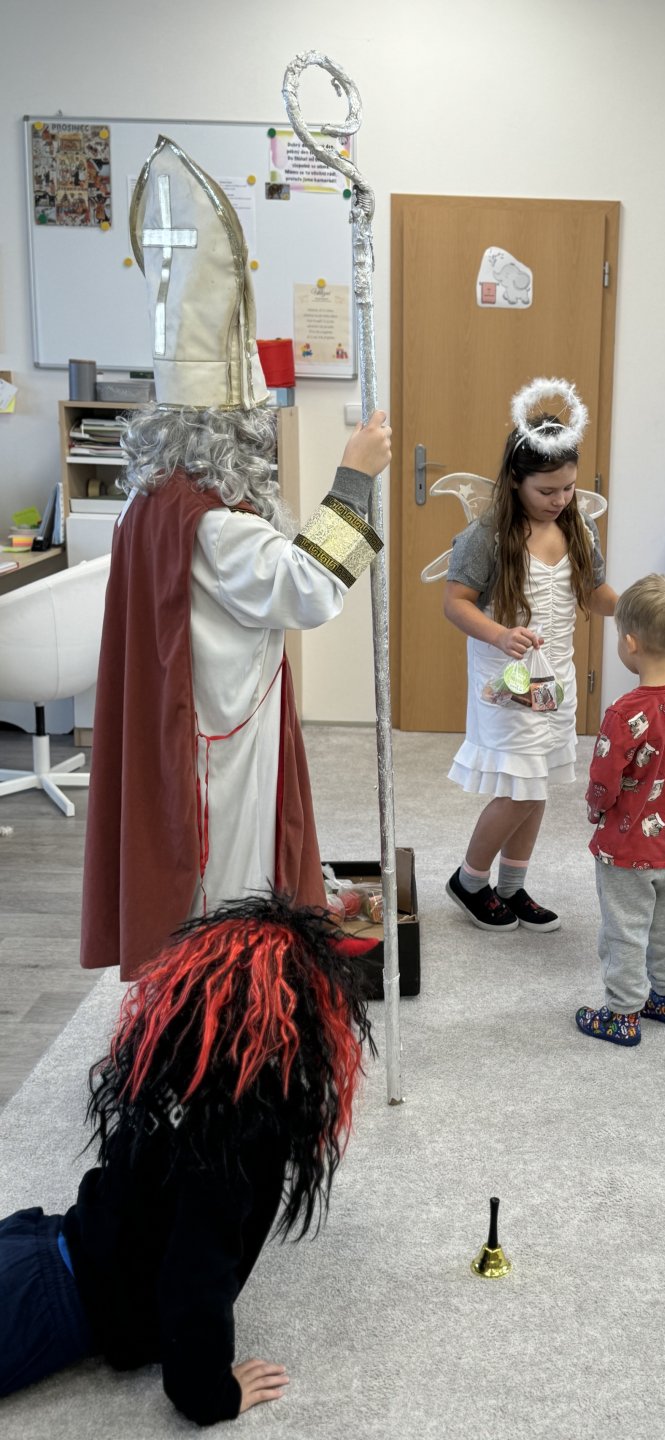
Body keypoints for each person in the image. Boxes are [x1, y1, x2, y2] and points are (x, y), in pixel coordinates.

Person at [80, 135, 392, 979]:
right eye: (255, 425)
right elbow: (308, 589)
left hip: (191, 721)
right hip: (215, 746)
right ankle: (220, 1016)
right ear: (230, 432)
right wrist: (354, 481)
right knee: (227, 898)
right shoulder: (214, 524)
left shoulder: (154, 499)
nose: (262, 436)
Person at [0, 896, 375, 1424]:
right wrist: (209, 1390)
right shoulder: (240, 1135)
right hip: (56, 1300)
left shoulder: (180, 1060)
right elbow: (196, 1273)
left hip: (47, 1241)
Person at [443, 379, 618, 933]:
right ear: (515, 480)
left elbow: (594, 593)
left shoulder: (578, 527)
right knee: (518, 790)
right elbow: (455, 603)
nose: (560, 499)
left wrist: (638, 609)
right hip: (507, 679)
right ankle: (469, 881)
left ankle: (511, 886)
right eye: (547, 490)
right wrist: (499, 635)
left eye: (568, 487)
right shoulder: (489, 535)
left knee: (535, 784)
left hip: (554, 679)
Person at [576, 575, 665, 1046]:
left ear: (629, 643)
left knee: (624, 931)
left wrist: (595, 810)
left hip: (627, 848)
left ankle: (622, 1012)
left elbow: (604, 780)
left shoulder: (624, 712)